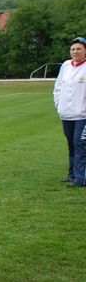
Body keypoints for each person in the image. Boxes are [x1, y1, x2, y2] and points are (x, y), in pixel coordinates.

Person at [53, 37, 86, 188]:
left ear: (85, 51)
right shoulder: (66, 66)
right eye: (73, 49)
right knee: (72, 145)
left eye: (79, 49)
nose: (75, 51)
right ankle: (72, 175)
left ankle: (81, 179)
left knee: (80, 144)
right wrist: (59, 105)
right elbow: (58, 87)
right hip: (66, 114)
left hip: (82, 115)